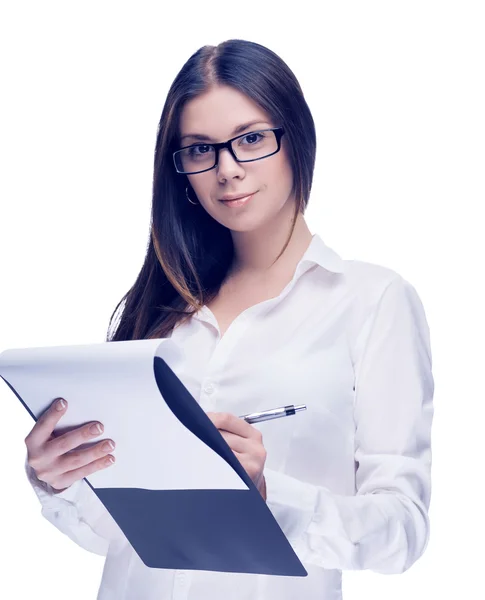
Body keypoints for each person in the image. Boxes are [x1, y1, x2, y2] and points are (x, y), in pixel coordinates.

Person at [23, 38, 434, 600]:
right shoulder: (161, 309)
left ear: (295, 137)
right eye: (200, 150)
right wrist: (60, 478)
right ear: (182, 170)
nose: (228, 169)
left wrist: (270, 495)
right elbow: (116, 537)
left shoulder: (372, 300)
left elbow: (403, 530)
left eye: (251, 139)